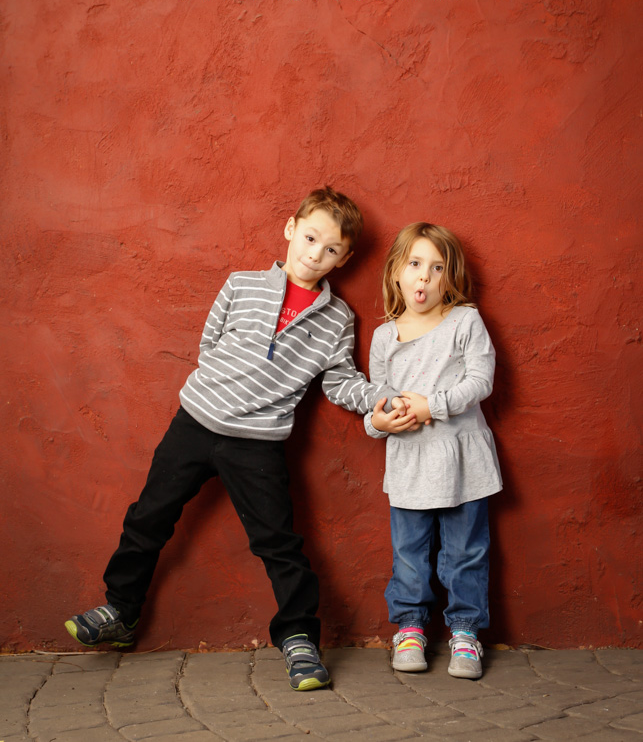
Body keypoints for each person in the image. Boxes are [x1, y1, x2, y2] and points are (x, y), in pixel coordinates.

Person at [65, 187, 407, 692]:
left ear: (345, 258)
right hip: (195, 422)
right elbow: (211, 344)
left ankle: (298, 638)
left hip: (258, 443)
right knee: (148, 517)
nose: (315, 254)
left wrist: (377, 399)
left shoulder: (337, 320)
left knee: (278, 543)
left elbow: (339, 382)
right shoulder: (240, 285)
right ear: (291, 229)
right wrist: (221, 391)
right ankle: (121, 610)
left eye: (331, 249)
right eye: (310, 238)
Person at [364, 222, 502, 680]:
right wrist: (378, 423)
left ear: (449, 277)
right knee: (409, 553)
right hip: (409, 463)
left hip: (464, 460)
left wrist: (432, 405)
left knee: (466, 551)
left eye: (436, 267)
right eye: (415, 264)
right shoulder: (385, 337)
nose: (424, 276)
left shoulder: (465, 321)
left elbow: (481, 381)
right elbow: (378, 398)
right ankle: (410, 627)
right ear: (396, 274)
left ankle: (465, 632)